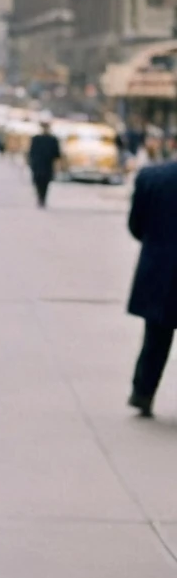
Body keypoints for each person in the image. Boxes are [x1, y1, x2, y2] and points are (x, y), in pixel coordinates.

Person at [127, 157, 177, 417]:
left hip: (159, 270)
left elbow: (136, 225)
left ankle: (142, 393)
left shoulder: (151, 177)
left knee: (155, 337)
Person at [27, 118, 62, 207]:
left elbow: (57, 153)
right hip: (37, 164)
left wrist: (57, 164)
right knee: (38, 181)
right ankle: (40, 197)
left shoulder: (53, 139)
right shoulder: (36, 138)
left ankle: (42, 198)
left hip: (47, 164)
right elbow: (31, 152)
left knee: (45, 182)